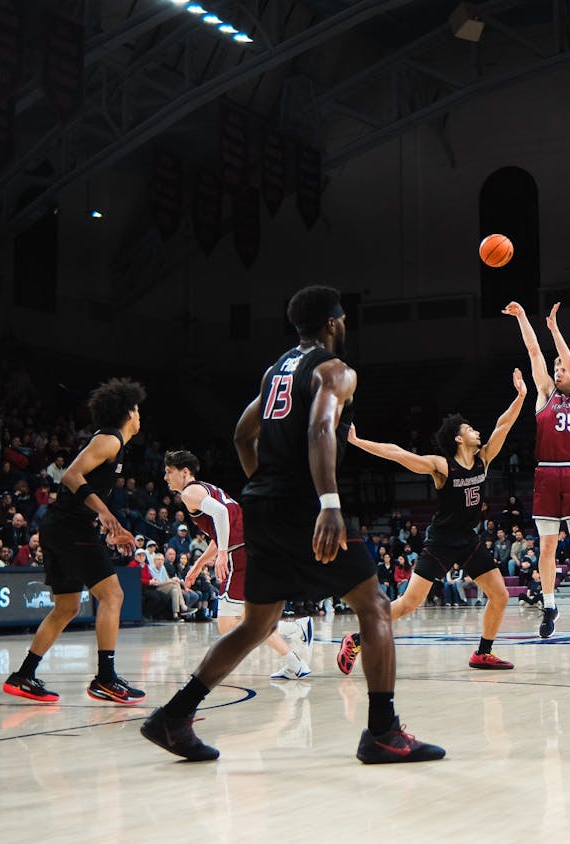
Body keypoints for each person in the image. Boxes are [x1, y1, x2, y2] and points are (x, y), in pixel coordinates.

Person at [141, 285, 444, 763]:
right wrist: (326, 501)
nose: (344, 326)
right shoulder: (335, 370)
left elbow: (243, 435)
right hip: (306, 503)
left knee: (257, 624)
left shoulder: (274, 371)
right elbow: (320, 429)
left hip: (263, 503)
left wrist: (265, 482)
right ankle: (383, 731)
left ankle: (174, 718)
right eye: (342, 320)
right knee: (376, 606)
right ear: (332, 323)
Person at [341, 369, 527, 672]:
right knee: (408, 604)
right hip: (440, 541)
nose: (476, 432)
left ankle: (483, 652)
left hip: (469, 540)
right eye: (469, 429)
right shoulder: (442, 466)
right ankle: (357, 639)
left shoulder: (484, 457)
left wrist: (520, 396)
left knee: (500, 594)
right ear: (458, 438)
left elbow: (503, 424)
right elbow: (398, 453)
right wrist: (359, 442)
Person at [1, 379, 145, 705]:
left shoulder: (112, 444)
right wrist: (105, 514)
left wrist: (112, 524)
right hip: (69, 529)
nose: (140, 416)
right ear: (127, 412)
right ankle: (105, 680)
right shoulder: (109, 440)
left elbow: (82, 489)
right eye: (137, 410)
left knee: (66, 607)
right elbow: (69, 475)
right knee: (113, 595)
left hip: (60, 527)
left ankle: (24, 675)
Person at [163, 450, 312, 681]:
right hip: (251, 546)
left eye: (169, 471)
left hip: (240, 553)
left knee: (227, 625)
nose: (165, 477)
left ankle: (294, 631)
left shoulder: (190, 492)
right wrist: (199, 564)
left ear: (184, 472)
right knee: (243, 619)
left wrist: (223, 553)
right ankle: (295, 659)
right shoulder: (208, 489)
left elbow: (222, 515)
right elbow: (220, 530)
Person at [504, 301, 570, 639]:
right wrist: (522, 319)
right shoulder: (545, 393)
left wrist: (555, 330)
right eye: (556, 369)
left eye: (562, 369)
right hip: (546, 473)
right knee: (545, 547)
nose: (558, 372)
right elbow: (533, 352)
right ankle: (549, 603)